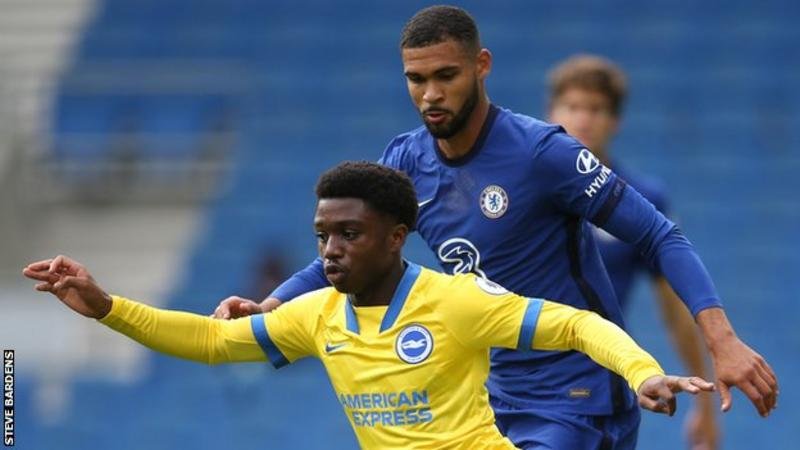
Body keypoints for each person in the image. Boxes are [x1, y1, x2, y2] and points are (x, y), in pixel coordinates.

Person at [212, 6, 778, 449]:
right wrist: (275, 303)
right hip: (489, 392)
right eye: (415, 79)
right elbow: (348, 246)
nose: (430, 94)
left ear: (481, 66)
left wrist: (721, 340)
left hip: (577, 393)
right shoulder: (406, 161)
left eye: (446, 76)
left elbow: (660, 236)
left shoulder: (542, 154)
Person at [23, 162, 714, 449]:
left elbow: (577, 322)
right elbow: (210, 342)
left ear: (395, 238)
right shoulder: (317, 314)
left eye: (348, 234)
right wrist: (106, 306)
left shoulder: (456, 302)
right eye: (323, 235)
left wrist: (641, 372)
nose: (330, 251)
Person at [546, 54, 719, 449]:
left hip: (597, 377)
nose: (584, 119)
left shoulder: (640, 200)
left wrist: (704, 409)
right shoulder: (525, 192)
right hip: (519, 375)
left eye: (596, 109)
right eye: (573, 107)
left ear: (615, 121)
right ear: (552, 113)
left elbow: (674, 309)